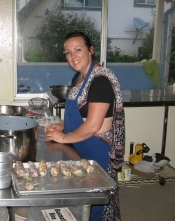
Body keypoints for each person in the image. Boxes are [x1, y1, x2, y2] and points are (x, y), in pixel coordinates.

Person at [45, 31, 125, 221]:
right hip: (79, 147)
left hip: (96, 152)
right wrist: (63, 127)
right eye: (68, 52)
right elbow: (81, 112)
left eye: (78, 50)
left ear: (90, 50)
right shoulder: (79, 78)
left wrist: (63, 138)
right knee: (80, 201)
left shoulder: (100, 81)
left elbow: (92, 126)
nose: (73, 56)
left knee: (94, 203)